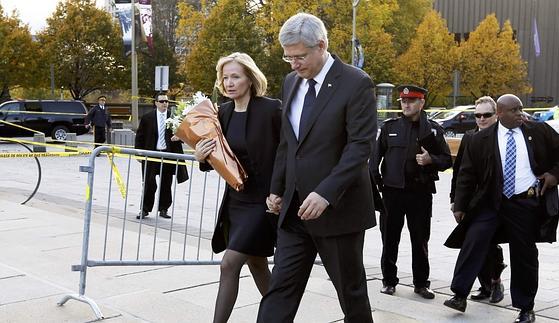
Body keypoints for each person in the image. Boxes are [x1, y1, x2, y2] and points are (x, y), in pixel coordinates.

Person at [258, 13, 377, 322]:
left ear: (321, 45)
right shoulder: (290, 82)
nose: (294, 64)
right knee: (280, 289)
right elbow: (289, 143)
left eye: (299, 56)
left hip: (337, 211)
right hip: (295, 211)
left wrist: (325, 193)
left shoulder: (356, 83)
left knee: (351, 294)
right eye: (288, 58)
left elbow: (360, 147)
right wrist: (277, 188)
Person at [444, 94, 559, 323]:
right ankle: (459, 294)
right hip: (491, 202)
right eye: (514, 110)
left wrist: (554, 175)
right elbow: (466, 174)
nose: (520, 114)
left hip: (524, 203)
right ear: (501, 114)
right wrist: (460, 205)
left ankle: (525, 308)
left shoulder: (538, 131)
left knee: (525, 254)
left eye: (521, 109)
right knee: (473, 240)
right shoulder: (481, 139)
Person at [193, 52, 281, 323]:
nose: (229, 82)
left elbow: (288, 153)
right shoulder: (224, 113)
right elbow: (221, 159)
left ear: (250, 79)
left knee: (229, 263)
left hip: (264, 203)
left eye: (235, 76)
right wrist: (201, 157)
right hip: (236, 201)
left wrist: (281, 191)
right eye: (225, 77)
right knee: (256, 263)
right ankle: (280, 316)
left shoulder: (271, 109)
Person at [370, 84, 452, 300]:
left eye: (411, 101)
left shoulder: (433, 130)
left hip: (420, 193)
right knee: (389, 239)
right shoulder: (390, 127)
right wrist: (378, 184)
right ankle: (389, 281)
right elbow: (375, 159)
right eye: (403, 101)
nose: (406, 104)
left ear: (422, 103)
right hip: (392, 193)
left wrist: (430, 160)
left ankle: (421, 283)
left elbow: (446, 160)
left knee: (420, 240)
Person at [449, 96, 507, 304]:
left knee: (488, 244)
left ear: (496, 115)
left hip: (499, 202)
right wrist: (455, 200)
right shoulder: (470, 137)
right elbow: (460, 172)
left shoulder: (503, 137)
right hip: (475, 203)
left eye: (486, 115)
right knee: (476, 242)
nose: (481, 119)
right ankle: (486, 285)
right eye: (477, 115)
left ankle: (495, 281)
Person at [134, 92, 188, 219]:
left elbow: (184, 134)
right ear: (156, 103)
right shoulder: (148, 117)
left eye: (167, 101)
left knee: (166, 183)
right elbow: (140, 136)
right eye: (162, 101)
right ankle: (145, 209)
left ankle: (164, 209)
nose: (165, 103)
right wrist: (138, 152)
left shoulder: (174, 117)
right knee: (149, 182)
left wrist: (179, 137)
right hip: (151, 154)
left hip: (168, 155)